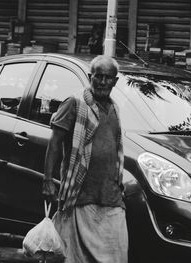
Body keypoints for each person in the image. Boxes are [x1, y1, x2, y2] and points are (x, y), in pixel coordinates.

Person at [42, 55, 128, 263]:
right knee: (76, 258)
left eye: (108, 78)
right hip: (80, 195)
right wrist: (47, 180)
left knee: (117, 254)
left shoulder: (115, 108)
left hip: (110, 197)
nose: (102, 82)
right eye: (98, 76)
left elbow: (116, 149)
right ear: (90, 77)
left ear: (115, 81)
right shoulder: (74, 103)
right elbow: (54, 143)